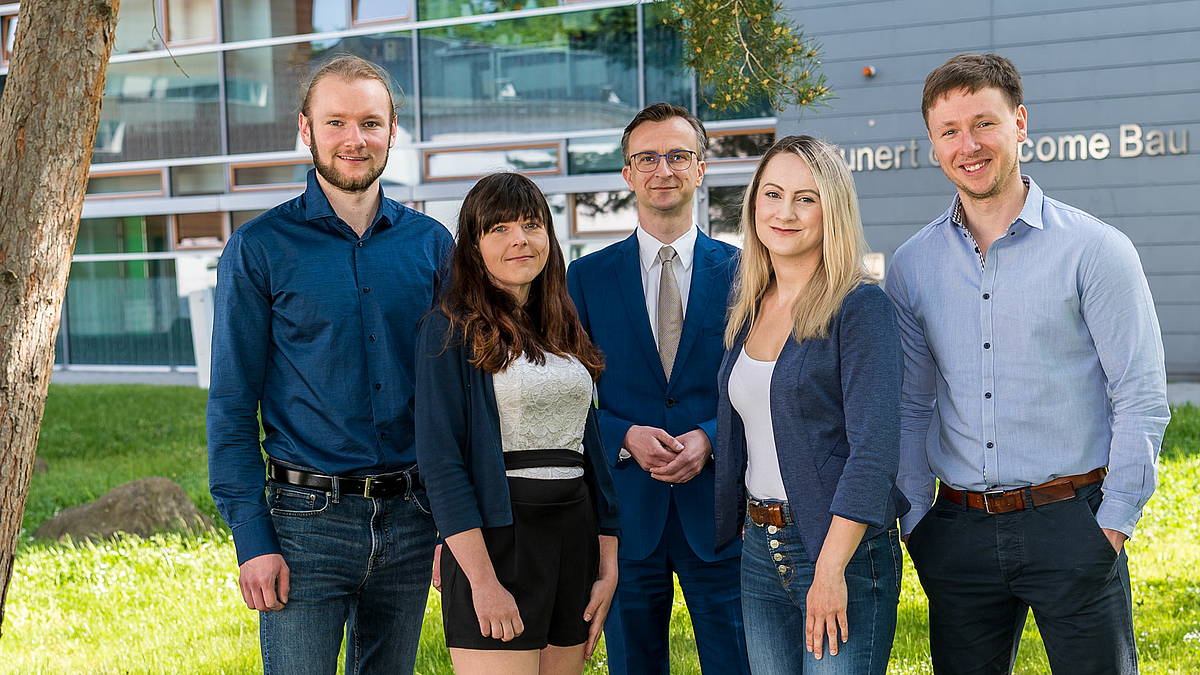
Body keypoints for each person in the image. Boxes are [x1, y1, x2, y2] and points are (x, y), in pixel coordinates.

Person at [885, 53, 1171, 674]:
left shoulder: (1096, 250)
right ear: (933, 144)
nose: (969, 145)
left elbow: (1140, 396)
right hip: (955, 531)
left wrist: (1112, 526)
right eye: (950, 131)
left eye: (983, 124)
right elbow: (910, 404)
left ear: (1019, 123)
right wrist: (916, 522)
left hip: (1073, 523)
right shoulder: (912, 266)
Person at [206, 54, 453, 675]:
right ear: (305, 129)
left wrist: (454, 524)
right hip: (304, 525)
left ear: (393, 131)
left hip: (414, 518)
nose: (354, 139)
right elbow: (232, 405)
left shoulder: (431, 246)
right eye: (336, 122)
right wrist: (252, 541)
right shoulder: (260, 248)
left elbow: (455, 398)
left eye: (370, 122)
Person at [567, 102, 751, 675]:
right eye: (646, 158)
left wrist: (712, 436)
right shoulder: (586, 278)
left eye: (677, 155)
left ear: (701, 168)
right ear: (628, 175)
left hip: (720, 513)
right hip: (625, 515)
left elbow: (768, 387)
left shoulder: (749, 273)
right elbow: (561, 399)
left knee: (735, 663)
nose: (661, 169)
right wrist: (622, 435)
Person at [712, 135, 907, 675]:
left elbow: (874, 453)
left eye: (806, 198)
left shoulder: (860, 308)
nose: (786, 212)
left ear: (832, 209)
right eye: (773, 194)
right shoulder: (750, 306)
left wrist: (829, 570)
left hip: (837, 549)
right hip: (759, 548)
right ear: (753, 205)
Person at [414, 172, 620, 675]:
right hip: (499, 544)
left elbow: (587, 445)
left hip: (574, 538)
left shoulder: (562, 325)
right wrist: (482, 581)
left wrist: (607, 558)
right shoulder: (450, 328)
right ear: (473, 245)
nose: (519, 240)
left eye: (531, 225)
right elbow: (441, 461)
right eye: (499, 228)